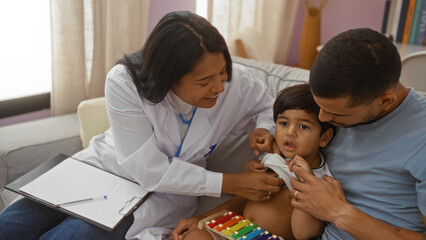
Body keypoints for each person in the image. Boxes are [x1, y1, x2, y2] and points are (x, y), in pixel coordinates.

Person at [0, 11, 284, 240]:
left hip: (161, 197)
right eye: (204, 81)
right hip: (103, 170)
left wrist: (263, 130)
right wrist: (235, 183)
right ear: (169, 76)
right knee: (11, 225)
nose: (220, 87)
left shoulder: (237, 83)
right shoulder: (124, 82)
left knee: (70, 236)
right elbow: (150, 169)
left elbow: (267, 108)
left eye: (223, 72)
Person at [288, 28, 426, 239]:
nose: (322, 118)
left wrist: (338, 212)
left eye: (335, 113)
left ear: (385, 101)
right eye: (320, 107)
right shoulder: (328, 110)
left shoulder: (420, 138)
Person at [171, 83, 336, 240]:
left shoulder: (319, 181)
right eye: (284, 123)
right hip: (235, 231)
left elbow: (303, 233)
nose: (290, 133)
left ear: (324, 137)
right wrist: (249, 171)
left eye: (303, 127)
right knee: (195, 237)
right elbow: (243, 197)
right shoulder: (273, 157)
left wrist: (305, 181)